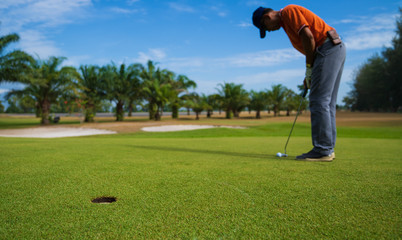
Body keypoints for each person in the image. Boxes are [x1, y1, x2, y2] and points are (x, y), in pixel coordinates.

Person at [252, 5, 346, 162]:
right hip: (333, 48)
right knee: (327, 102)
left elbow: (308, 38)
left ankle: (323, 150)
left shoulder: (288, 12)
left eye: (265, 28)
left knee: (318, 100)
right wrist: (310, 74)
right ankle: (327, 149)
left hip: (327, 48)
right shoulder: (286, 25)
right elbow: (310, 44)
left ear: (267, 18)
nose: (268, 31)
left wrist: (309, 68)